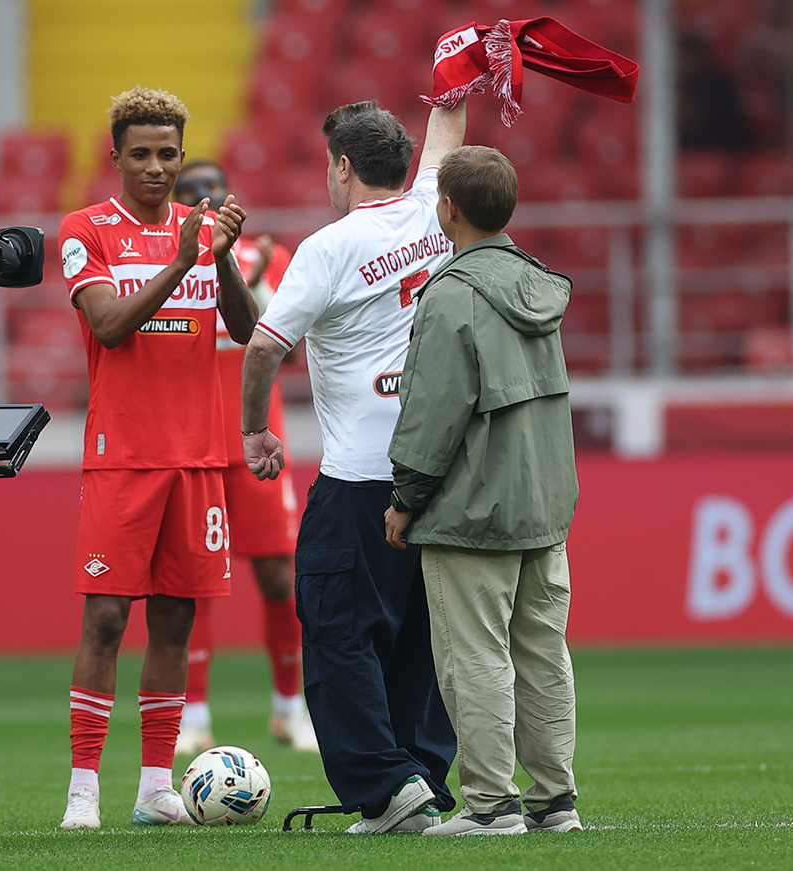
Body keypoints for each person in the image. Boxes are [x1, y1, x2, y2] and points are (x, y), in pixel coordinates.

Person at [240, 99, 465, 834]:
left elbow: (263, 345)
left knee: (339, 632)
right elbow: (445, 146)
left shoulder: (329, 247)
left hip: (360, 477)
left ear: (341, 167)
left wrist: (254, 431)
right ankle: (419, 778)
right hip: (437, 473)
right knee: (417, 639)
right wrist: (451, 94)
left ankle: (384, 784)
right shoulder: (436, 210)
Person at [57, 88, 257, 829]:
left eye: (166, 153)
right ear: (115, 156)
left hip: (199, 458)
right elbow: (108, 326)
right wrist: (179, 262)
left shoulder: (202, 232)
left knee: (174, 622)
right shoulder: (87, 229)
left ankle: (154, 787)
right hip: (123, 457)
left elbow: (243, 327)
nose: (154, 166)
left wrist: (222, 257)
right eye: (139, 153)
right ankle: (83, 789)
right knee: (106, 619)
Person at [384, 145, 581, 836]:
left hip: (471, 509)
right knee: (541, 654)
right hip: (543, 505)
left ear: (448, 209)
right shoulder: (539, 285)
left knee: (475, 658)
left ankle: (490, 806)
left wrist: (404, 496)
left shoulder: (451, 292)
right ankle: (555, 801)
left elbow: (433, 411)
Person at [171, 161, 316, 755]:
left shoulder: (271, 255)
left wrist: (242, 269)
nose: (203, 199)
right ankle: (194, 717)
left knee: (280, 576)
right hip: (196, 440)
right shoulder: (168, 259)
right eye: (190, 192)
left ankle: (290, 708)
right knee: (196, 583)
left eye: (212, 189)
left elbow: (279, 338)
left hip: (259, 438)